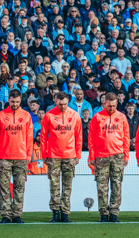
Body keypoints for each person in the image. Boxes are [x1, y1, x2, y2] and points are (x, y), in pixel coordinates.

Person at [39, 91, 82, 223]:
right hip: (53, 156)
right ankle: (55, 212)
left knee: (67, 186)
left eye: (64, 104)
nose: (62, 106)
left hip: (69, 156)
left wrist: (78, 155)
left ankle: (65, 213)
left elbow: (79, 136)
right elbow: (42, 136)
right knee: (54, 185)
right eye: (60, 103)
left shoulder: (75, 115)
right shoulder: (49, 115)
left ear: (68, 101)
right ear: (55, 101)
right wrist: (44, 154)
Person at [88, 92, 130, 223]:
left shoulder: (122, 117)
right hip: (101, 156)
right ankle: (103, 214)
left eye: (113, 105)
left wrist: (126, 156)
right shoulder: (97, 117)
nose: (111, 108)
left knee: (117, 185)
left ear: (116, 104)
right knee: (102, 186)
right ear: (104, 103)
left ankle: (114, 213)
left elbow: (126, 137)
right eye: (108, 105)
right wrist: (91, 156)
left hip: (117, 156)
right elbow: (91, 138)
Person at [0, 89, 33, 224]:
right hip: (4, 157)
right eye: (12, 101)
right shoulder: (0, 115)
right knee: (3, 187)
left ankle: (16, 215)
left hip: (21, 157)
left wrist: (29, 154)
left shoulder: (26, 115)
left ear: (20, 100)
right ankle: (5, 215)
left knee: (19, 186)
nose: (14, 104)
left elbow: (29, 137)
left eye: (17, 102)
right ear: (8, 100)